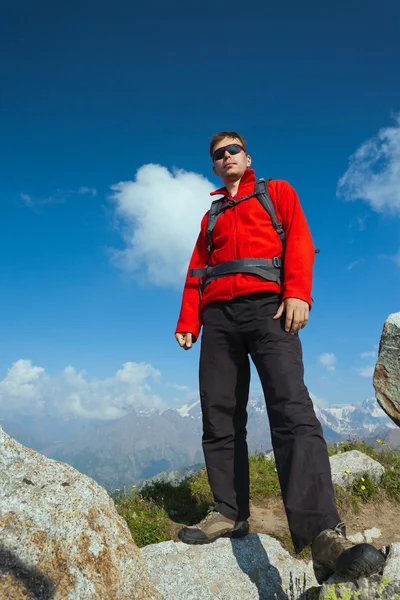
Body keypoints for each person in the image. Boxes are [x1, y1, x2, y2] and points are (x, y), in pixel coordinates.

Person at [174, 131, 384, 583]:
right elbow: (197, 271)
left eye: (233, 150)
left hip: (269, 308)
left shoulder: (276, 192)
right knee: (219, 412)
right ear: (213, 166)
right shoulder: (210, 217)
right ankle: (230, 511)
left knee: (291, 408)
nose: (226, 157)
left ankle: (323, 533)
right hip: (218, 318)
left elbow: (301, 241)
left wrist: (297, 293)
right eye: (218, 154)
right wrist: (188, 320)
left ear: (246, 156)